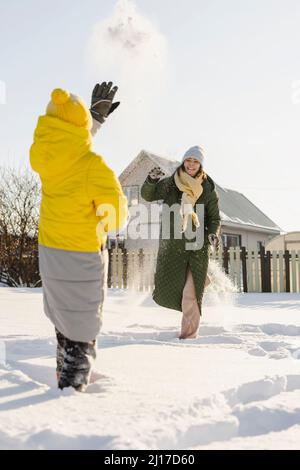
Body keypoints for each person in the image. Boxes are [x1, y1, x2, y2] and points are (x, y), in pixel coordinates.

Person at [30, 82, 128, 391]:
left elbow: (69, 146)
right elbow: (115, 218)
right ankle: (70, 397)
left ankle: (63, 375)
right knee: (81, 329)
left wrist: (93, 120)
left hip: (50, 251)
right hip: (81, 255)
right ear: (80, 125)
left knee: (64, 321)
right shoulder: (92, 167)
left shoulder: (48, 158)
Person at [141, 145, 221, 339]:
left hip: (197, 246)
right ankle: (204, 279)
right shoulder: (171, 184)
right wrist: (152, 180)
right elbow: (148, 195)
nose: (191, 164)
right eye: (188, 160)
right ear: (183, 162)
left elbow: (214, 218)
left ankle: (188, 335)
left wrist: (212, 233)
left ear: (201, 165)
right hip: (174, 245)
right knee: (175, 288)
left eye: (195, 161)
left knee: (189, 295)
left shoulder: (208, 189)